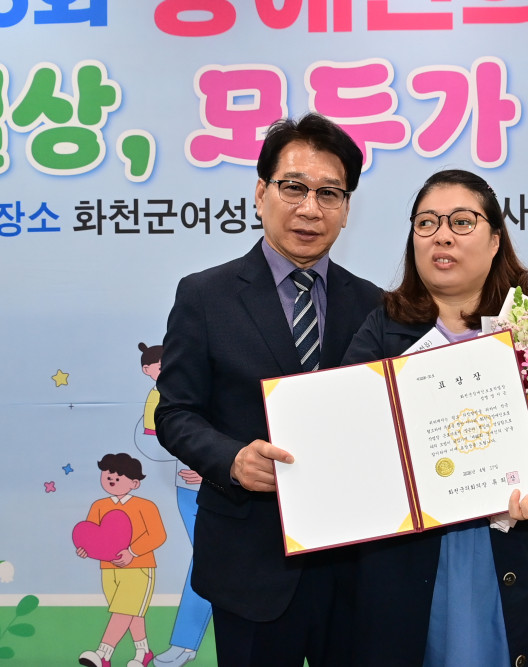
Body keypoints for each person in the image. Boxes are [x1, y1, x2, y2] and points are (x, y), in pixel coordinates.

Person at [341, 169, 528, 667]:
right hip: (415, 558)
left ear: (494, 240)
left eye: (461, 222)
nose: (442, 236)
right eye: (426, 223)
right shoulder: (383, 329)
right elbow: (348, 431)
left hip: (524, 544)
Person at [154, 112, 381, 667]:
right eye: (294, 188)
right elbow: (175, 413)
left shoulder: (374, 304)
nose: (310, 208)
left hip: (354, 566)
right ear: (261, 194)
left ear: (347, 208)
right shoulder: (204, 296)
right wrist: (231, 459)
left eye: (329, 193)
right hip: (250, 564)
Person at [133, 342, 211, 667]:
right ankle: (185, 643)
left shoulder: (217, 383)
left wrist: (216, 465)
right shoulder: (163, 397)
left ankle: (185, 642)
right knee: (208, 560)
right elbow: (147, 441)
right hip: (189, 489)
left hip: (232, 487)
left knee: (210, 560)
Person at [77, 453, 167, 667]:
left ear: (134, 483)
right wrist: (86, 549)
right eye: (108, 476)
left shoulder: (146, 506)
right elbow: (92, 535)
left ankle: (103, 654)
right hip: (108, 569)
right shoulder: (99, 506)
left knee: (124, 610)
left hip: (139, 567)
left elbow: (157, 535)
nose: (111, 480)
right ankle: (143, 652)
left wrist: (132, 552)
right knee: (130, 612)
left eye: (118, 477)